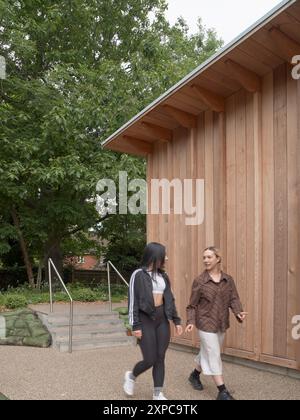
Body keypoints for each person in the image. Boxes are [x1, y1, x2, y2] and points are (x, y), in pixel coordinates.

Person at [185, 246, 247, 401]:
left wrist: (238, 312)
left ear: (218, 258)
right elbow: (192, 305)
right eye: (204, 257)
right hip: (205, 323)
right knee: (214, 354)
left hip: (221, 323)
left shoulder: (228, 280)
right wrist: (191, 321)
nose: (206, 260)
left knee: (207, 352)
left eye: (209, 257)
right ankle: (222, 391)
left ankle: (194, 375)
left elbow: (233, 298)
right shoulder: (200, 281)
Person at [123, 242, 183, 400]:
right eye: (164, 255)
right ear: (155, 256)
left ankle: (157, 393)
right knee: (149, 359)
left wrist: (176, 321)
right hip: (145, 319)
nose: (166, 258)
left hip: (162, 319)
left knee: (160, 356)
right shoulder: (138, 274)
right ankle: (131, 376)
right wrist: (135, 324)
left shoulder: (163, 276)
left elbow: (169, 299)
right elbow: (132, 301)